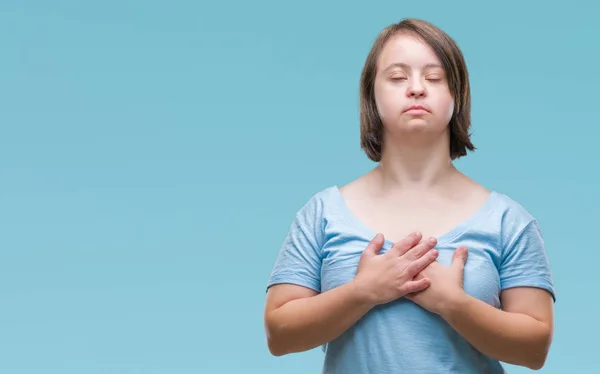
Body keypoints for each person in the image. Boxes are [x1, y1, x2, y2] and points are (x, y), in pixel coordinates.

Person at [263, 18, 555, 374]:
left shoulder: (508, 220)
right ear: (372, 94)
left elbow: (535, 350)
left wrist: (453, 303)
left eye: (434, 78)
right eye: (398, 77)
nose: (416, 88)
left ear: (456, 95)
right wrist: (364, 291)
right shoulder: (322, 213)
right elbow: (278, 335)